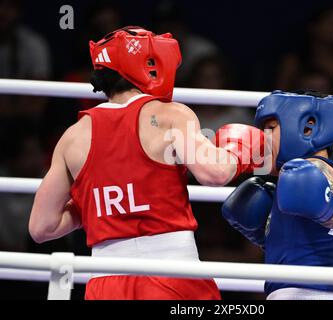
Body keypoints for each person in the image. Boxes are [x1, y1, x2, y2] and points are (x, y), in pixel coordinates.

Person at [28, 26, 265, 300]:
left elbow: (42, 227)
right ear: (148, 64)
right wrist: (239, 150)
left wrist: (94, 204)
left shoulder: (72, 137)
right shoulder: (170, 115)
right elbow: (215, 173)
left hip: (105, 282)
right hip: (170, 273)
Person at [222, 90, 333, 300]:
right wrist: (266, 235)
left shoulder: (313, 169)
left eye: (271, 128)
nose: (263, 138)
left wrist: (322, 205)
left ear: (307, 129)